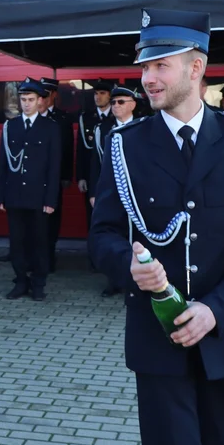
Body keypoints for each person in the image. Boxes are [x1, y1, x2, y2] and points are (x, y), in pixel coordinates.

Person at [90, 8, 224, 445]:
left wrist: (215, 309)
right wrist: (128, 268)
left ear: (196, 68)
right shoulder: (126, 146)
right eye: (144, 66)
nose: (147, 78)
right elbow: (103, 235)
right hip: (158, 347)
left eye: (161, 66)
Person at [0, 78, 61, 301]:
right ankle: (20, 280)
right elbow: (3, 162)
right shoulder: (10, 126)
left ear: (40, 100)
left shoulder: (50, 128)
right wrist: (0, 193)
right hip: (14, 194)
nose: (26, 104)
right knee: (17, 241)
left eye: (31, 99)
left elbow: (54, 167)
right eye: (23, 99)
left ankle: (39, 283)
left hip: (39, 195)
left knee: (39, 241)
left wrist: (51, 199)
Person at [88, 84, 137, 298]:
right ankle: (113, 280)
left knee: (134, 237)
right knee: (112, 235)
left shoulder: (141, 127)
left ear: (133, 104)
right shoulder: (103, 128)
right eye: (114, 102)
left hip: (136, 193)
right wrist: (93, 191)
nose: (115, 106)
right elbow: (95, 163)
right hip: (110, 193)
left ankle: (133, 281)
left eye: (120, 102)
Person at [39, 77, 73, 272]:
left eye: (46, 94)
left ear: (54, 95)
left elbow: (67, 148)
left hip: (55, 176)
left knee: (52, 218)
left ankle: (49, 256)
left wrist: (66, 175)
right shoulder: (35, 116)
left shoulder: (62, 118)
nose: (42, 98)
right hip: (35, 178)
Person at [76, 79, 114, 236]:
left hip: (114, 176)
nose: (98, 97)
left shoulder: (117, 116)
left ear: (110, 96)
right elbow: (81, 149)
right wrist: (81, 176)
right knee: (92, 218)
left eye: (102, 93)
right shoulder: (86, 118)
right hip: (93, 176)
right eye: (96, 93)